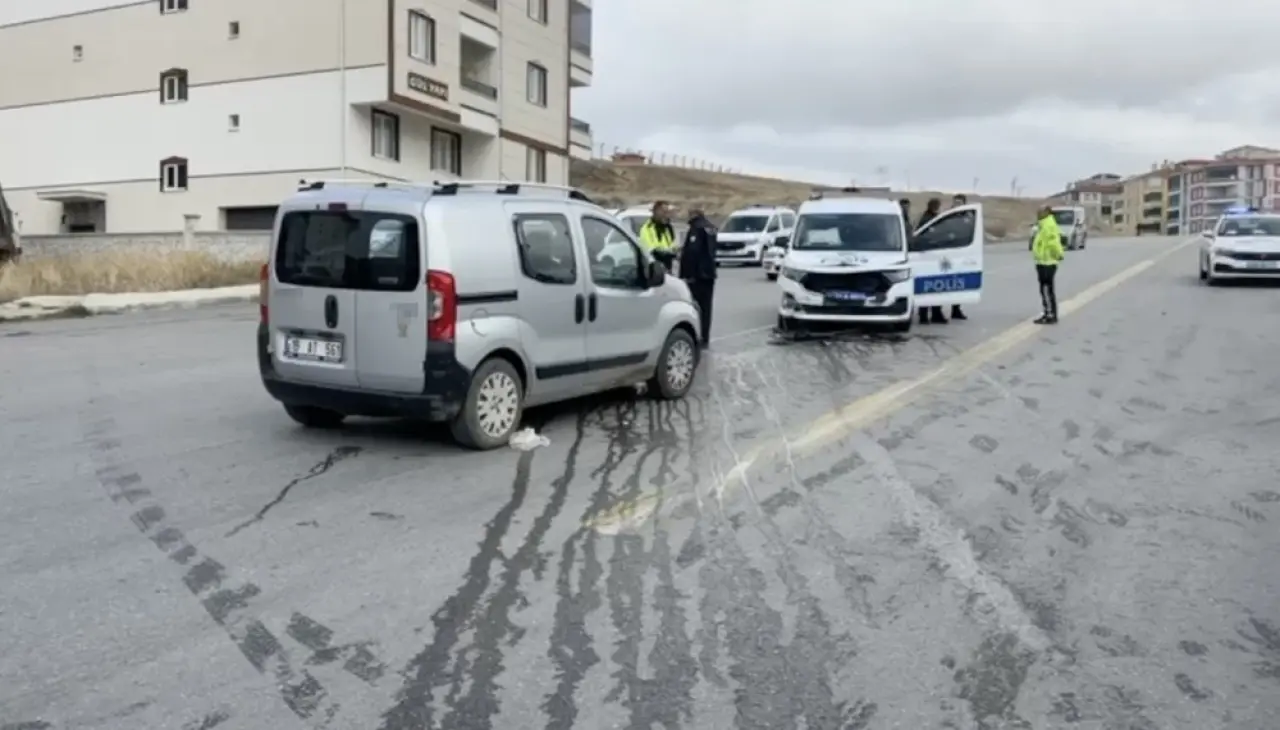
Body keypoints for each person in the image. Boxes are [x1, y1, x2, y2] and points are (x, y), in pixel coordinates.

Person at [680, 208, 718, 347]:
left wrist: (686, 274)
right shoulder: (711, 228)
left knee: (695, 307)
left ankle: (697, 336)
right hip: (709, 274)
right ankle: (705, 336)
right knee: (707, 308)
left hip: (697, 275)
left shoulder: (697, 228)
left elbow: (692, 252)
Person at [916, 198, 950, 324]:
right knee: (928, 286)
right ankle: (925, 314)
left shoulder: (933, 218)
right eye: (937, 206)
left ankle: (935, 313)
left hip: (934, 256)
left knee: (935, 287)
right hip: (928, 257)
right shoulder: (928, 219)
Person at [1031, 205, 1065, 324]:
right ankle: (1049, 313)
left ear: (1046, 213)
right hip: (1043, 261)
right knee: (1045, 289)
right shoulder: (1043, 225)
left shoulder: (1048, 226)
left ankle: (1050, 315)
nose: (1037, 214)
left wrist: (1059, 254)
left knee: (1046, 289)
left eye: (1040, 212)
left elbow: (1053, 243)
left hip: (1047, 262)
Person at [946, 193, 969, 321]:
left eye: (959, 203)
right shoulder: (949, 215)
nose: (957, 205)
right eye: (955, 202)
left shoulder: (968, 216)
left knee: (959, 283)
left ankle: (956, 308)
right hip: (949, 252)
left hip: (962, 252)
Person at [638, 201, 677, 272]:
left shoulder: (667, 228)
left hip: (667, 268)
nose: (666, 215)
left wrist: (676, 250)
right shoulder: (647, 229)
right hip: (654, 269)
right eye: (663, 212)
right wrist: (667, 253)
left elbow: (672, 245)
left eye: (667, 212)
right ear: (655, 212)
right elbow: (651, 250)